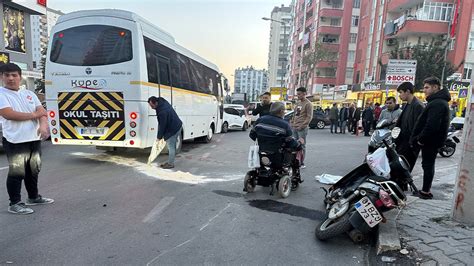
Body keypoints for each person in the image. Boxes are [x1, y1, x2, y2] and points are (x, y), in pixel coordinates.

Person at [0, 63, 53, 215]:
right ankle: (15, 203)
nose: (11, 78)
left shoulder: (29, 93)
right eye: (7, 75)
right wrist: (34, 115)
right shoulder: (1, 94)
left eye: (14, 75)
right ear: (2, 77)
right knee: (17, 172)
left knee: (33, 170)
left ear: (20, 77)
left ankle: (33, 197)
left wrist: (43, 126)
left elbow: (42, 112)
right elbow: (9, 114)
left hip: (33, 139)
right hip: (15, 140)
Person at [411, 77, 451, 199]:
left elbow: (431, 125)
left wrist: (420, 139)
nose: (424, 90)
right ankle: (425, 190)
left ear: (435, 87)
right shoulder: (437, 101)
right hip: (431, 141)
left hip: (430, 141)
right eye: (424, 87)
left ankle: (425, 192)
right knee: (427, 164)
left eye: (427, 87)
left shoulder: (438, 103)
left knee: (428, 165)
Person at [249, 102, 304, 174]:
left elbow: (252, 135)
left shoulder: (260, 120)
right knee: (295, 150)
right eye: (284, 110)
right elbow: (290, 142)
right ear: (281, 111)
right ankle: (295, 176)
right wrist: (299, 143)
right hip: (277, 156)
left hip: (261, 153)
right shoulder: (284, 125)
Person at [395, 82, 425, 172]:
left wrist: (413, 143)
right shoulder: (407, 104)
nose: (400, 95)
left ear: (407, 91)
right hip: (402, 143)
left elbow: (418, 127)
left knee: (405, 170)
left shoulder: (418, 106)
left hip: (410, 145)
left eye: (401, 92)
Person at [148, 96, 183, 169]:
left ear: (156, 103)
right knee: (171, 144)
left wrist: (159, 137)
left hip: (173, 129)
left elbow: (162, 126)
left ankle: (170, 164)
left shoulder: (162, 112)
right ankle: (170, 161)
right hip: (178, 125)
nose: (151, 107)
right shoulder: (162, 102)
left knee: (171, 147)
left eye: (151, 105)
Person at [291, 87, 313, 168]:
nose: (298, 96)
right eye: (297, 94)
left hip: (302, 129)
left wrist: (302, 126)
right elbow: (295, 114)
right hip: (294, 127)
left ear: (304, 93)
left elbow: (309, 117)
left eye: (299, 94)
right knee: (294, 145)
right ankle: (295, 160)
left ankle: (301, 162)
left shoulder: (308, 104)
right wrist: (292, 122)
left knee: (302, 146)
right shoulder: (298, 103)